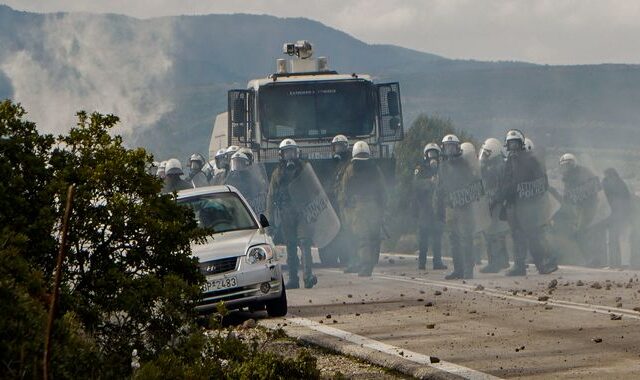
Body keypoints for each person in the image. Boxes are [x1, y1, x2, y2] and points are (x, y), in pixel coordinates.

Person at [495, 130, 557, 276]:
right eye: (511, 144)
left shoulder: (530, 160)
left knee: (532, 235)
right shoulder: (508, 162)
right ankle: (519, 266)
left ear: (521, 144)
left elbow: (540, 181)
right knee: (517, 236)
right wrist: (501, 197)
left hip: (526, 205)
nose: (513, 147)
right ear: (507, 146)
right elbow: (505, 182)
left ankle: (543, 264)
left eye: (516, 143)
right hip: (512, 205)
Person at [266, 139, 317, 289]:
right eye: (287, 152)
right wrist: (270, 220)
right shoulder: (277, 173)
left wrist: (315, 211)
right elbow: (271, 197)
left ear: (297, 152)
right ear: (281, 154)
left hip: (302, 211)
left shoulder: (304, 169)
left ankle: (308, 277)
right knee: (291, 245)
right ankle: (293, 279)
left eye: (292, 152)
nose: (290, 155)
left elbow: (314, 191)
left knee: (305, 242)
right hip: (286, 212)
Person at [338, 141, 386, 277]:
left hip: (358, 208)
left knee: (362, 238)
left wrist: (346, 207)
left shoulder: (350, 169)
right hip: (374, 207)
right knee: (373, 237)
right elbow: (382, 190)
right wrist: (383, 208)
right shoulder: (375, 168)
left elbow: (344, 190)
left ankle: (366, 266)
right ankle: (369, 263)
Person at [437, 134, 481, 279]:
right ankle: (458, 270)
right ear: (443, 148)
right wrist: (440, 208)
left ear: (457, 148)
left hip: (464, 208)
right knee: (454, 240)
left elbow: (474, 184)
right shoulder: (442, 166)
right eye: (447, 146)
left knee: (466, 238)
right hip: (450, 208)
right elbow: (440, 189)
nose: (449, 150)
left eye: (452, 146)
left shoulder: (465, 165)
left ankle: (468, 270)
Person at [558, 153, 607, 267]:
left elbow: (595, 186)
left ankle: (592, 259)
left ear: (573, 164)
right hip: (581, 209)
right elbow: (568, 197)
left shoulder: (583, 172)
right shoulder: (568, 178)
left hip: (590, 206)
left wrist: (580, 195)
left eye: (568, 165)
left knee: (581, 233)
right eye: (564, 166)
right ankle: (590, 259)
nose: (566, 168)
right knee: (579, 233)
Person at [319, 134, 353, 269]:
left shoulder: (351, 163)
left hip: (346, 203)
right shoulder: (335, 165)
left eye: (340, 146)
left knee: (346, 230)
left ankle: (347, 258)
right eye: (336, 147)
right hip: (336, 201)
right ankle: (333, 257)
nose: (338, 149)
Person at [413, 142, 448, 271]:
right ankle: (421, 262)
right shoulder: (420, 169)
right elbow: (415, 184)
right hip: (424, 208)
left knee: (437, 235)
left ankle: (437, 262)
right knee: (423, 236)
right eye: (430, 153)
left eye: (435, 154)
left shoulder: (442, 169)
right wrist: (429, 182)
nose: (432, 156)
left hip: (438, 207)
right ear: (425, 155)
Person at [478, 138, 510, 273]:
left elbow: (497, 188)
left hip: (495, 203)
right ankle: (503, 261)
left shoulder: (496, 167)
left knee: (492, 233)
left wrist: (493, 201)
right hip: (495, 202)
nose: (483, 156)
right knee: (497, 233)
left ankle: (495, 263)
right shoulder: (497, 165)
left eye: (486, 153)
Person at [602, 168, 633, 267]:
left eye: (607, 175)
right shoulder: (620, 183)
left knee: (614, 240)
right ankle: (617, 264)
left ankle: (615, 264)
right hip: (618, 215)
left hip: (616, 215)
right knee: (616, 240)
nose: (605, 177)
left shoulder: (613, 184)